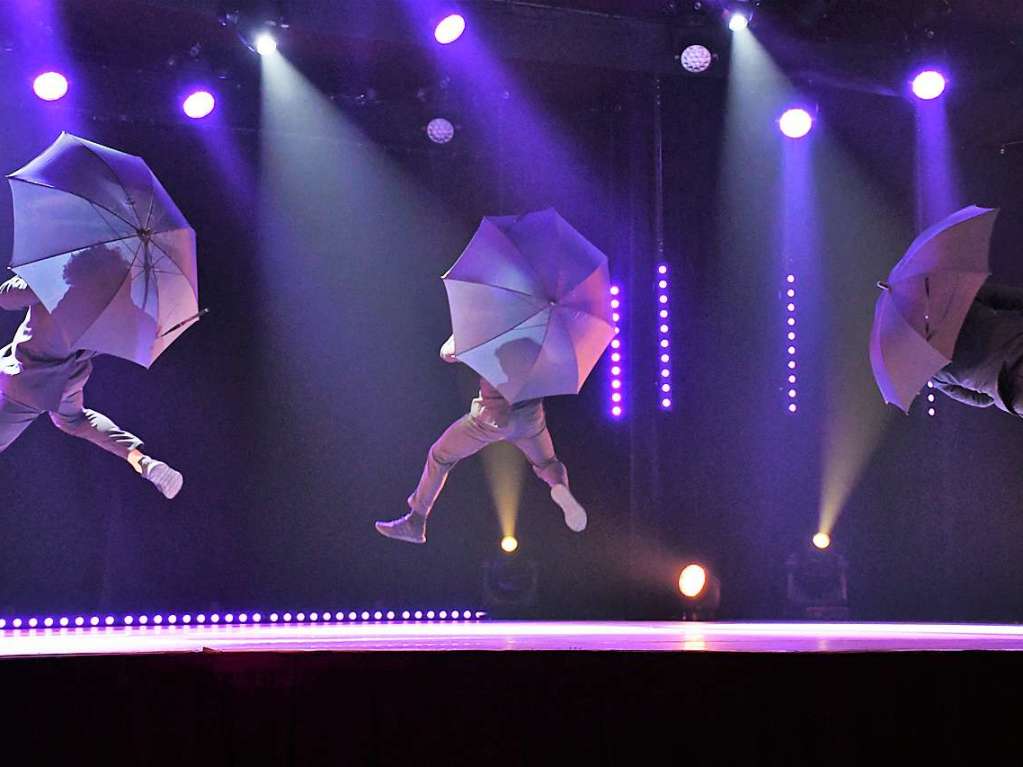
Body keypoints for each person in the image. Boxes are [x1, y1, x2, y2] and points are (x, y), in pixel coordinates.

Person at [374, 335, 586, 544]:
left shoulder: (487, 329)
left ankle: (416, 520)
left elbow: (447, 353)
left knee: (439, 456)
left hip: (491, 418)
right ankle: (560, 487)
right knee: (548, 463)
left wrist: (461, 331)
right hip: (530, 417)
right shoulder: (538, 335)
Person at [0, 269, 183, 499]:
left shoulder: (58, 280)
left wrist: (32, 275)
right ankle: (143, 461)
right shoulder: (117, 300)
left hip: (28, 378)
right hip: (69, 378)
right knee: (75, 419)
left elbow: (6, 298)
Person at [931, 281, 1023, 415]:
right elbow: (1015, 298)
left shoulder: (933, 372)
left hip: (1013, 393)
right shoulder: (954, 295)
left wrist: (992, 386)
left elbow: (979, 400)